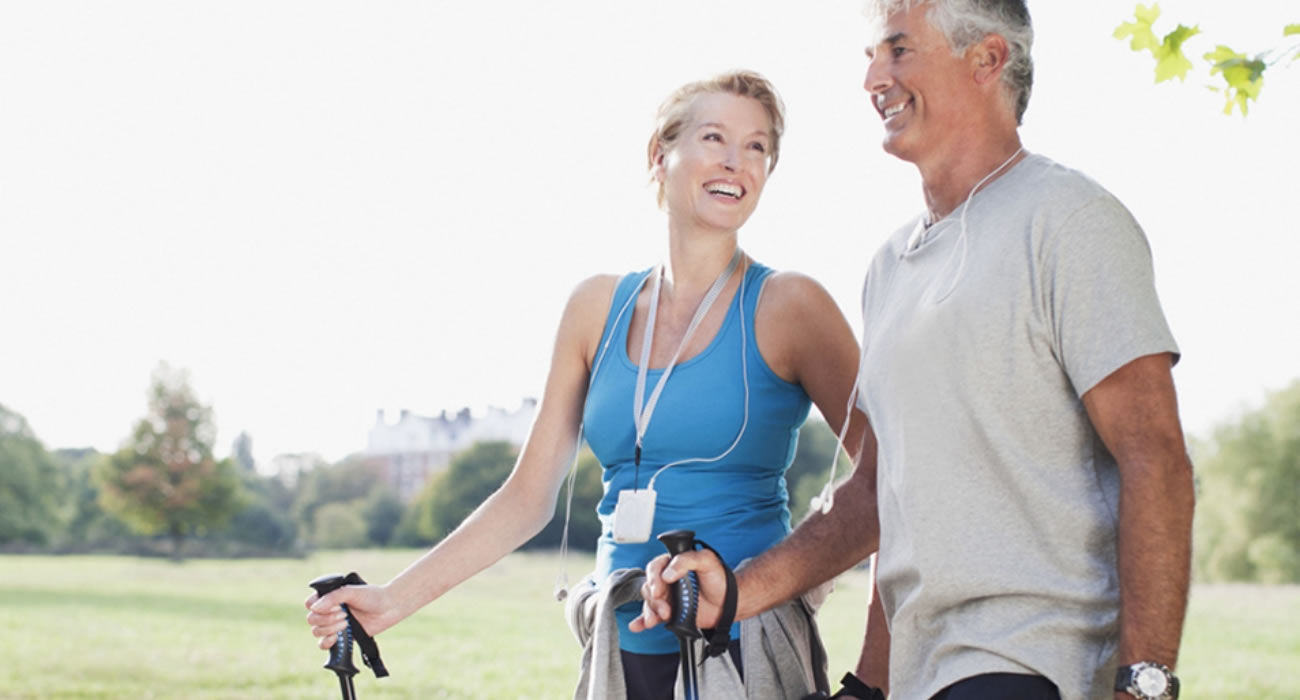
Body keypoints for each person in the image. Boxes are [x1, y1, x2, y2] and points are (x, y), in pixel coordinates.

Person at [633, 3, 1196, 700]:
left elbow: (1155, 454)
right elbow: (879, 494)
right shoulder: (890, 265)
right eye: (872, 55)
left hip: (1030, 662)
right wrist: (743, 597)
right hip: (919, 674)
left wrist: (1143, 684)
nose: (873, 76)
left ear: (988, 59)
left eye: (898, 50)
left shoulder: (1070, 221)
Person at [305, 69, 866, 700]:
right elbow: (527, 496)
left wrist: (811, 608)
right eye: (714, 138)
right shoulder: (596, 307)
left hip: (742, 647)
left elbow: (890, 479)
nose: (736, 161)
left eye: (758, 146)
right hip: (617, 649)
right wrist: (389, 601)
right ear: (660, 154)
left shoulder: (791, 304)